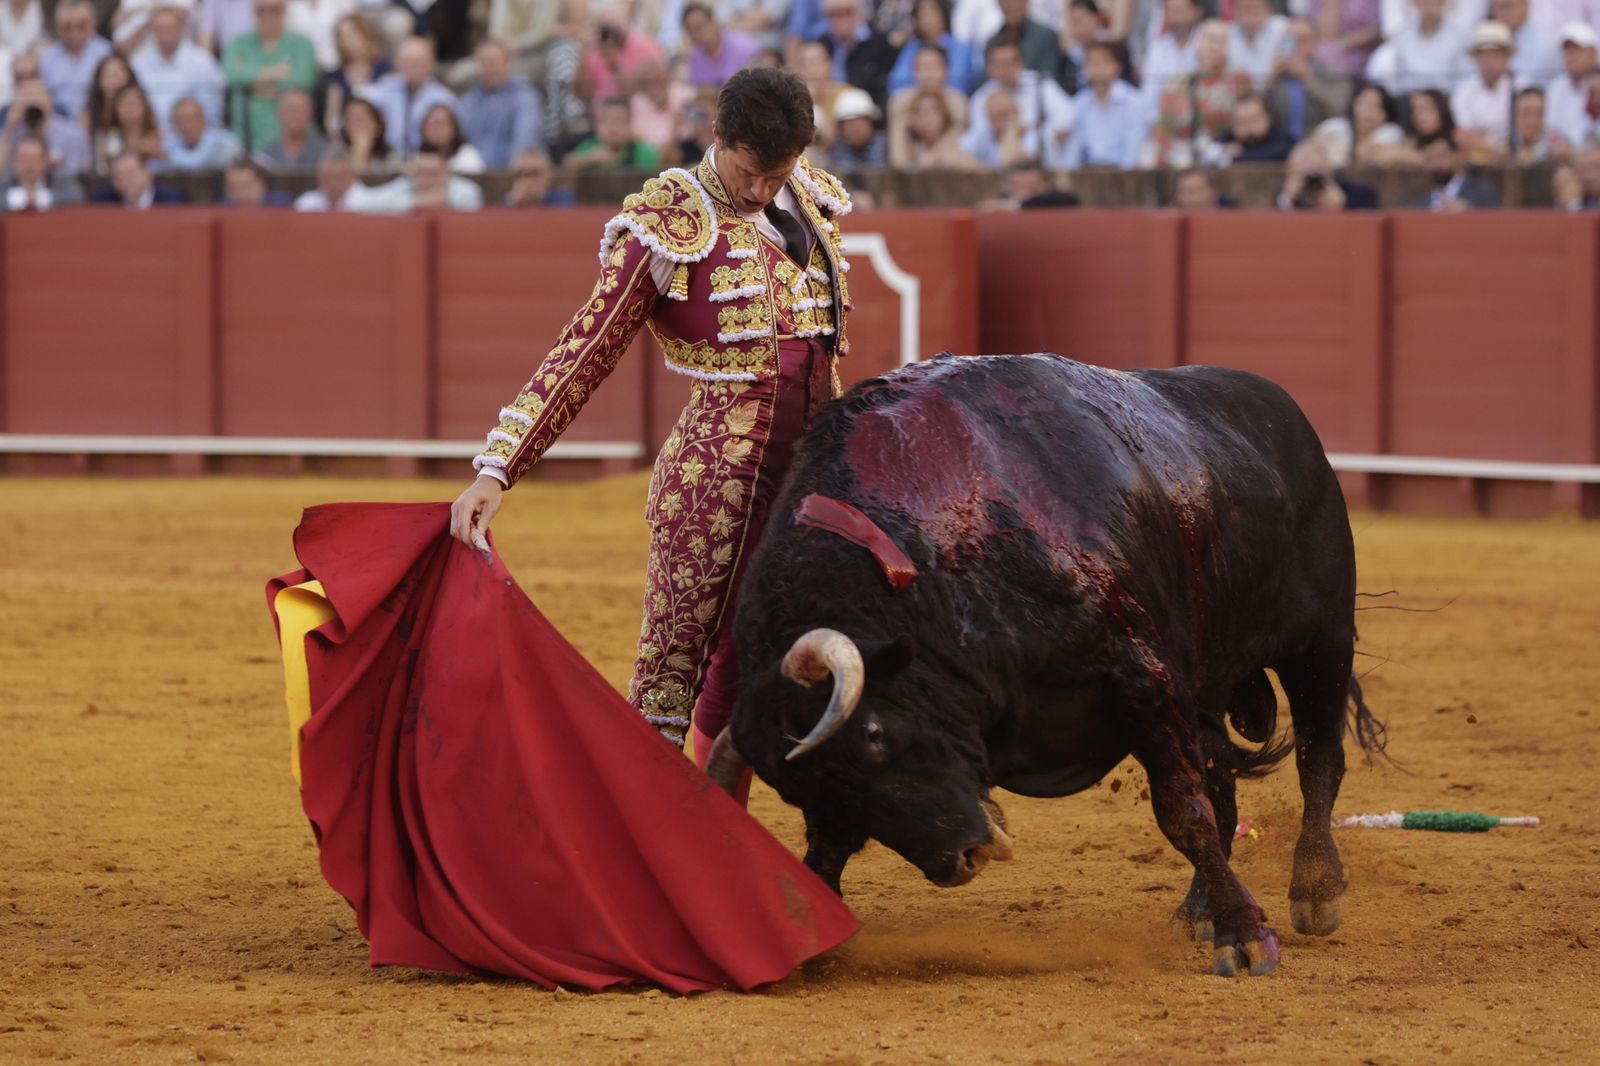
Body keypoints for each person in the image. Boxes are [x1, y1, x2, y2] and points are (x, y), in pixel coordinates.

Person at [450, 67, 858, 771]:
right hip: (714, 487)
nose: (761, 191)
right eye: (750, 172)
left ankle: (731, 819)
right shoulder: (669, 221)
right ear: (716, 136)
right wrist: (498, 468)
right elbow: (586, 349)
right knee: (673, 677)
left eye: (778, 173)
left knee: (777, 656)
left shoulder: (809, 197)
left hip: (813, 479)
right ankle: (659, 826)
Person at [1151, 20, 1252, 167]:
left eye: (1221, 41)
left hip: (1227, 161)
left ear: (1229, 48)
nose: (1214, 46)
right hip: (1181, 160)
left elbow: (1252, 123)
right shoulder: (1176, 83)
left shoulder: (1240, 81)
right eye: (1209, 39)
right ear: (1196, 43)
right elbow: (1164, 129)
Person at [222, 0, 318, 152]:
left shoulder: (302, 43)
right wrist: (278, 72)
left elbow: (301, 80)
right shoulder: (238, 42)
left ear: (284, 11)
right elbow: (231, 74)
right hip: (246, 134)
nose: (267, 16)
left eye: (274, 10)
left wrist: (251, 83)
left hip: (291, 139)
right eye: (261, 10)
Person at [963, 39, 1075, 167]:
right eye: (999, 65)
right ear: (989, 69)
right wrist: (1012, 130)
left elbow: (1066, 119)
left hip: (1043, 160)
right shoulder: (980, 98)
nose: (1005, 70)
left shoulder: (1041, 84)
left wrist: (1032, 131)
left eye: (1009, 63)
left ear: (1021, 63)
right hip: (995, 163)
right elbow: (981, 136)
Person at [131, 5, 225, 134]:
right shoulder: (139, 64)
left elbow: (212, 110)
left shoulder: (202, 63)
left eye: (170, 28)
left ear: (182, 28)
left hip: (193, 138)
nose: (165, 33)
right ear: (152, 31)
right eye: (160, 29)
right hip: (150, 136)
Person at [458, 38, 543, 170]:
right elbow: (460, 136)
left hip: (513, 173)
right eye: (484, 63)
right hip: (475, 172)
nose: (489, 68)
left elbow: (525, 138)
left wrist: (509, 172)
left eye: (493, 62)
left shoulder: (524, 95)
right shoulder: (470, 99)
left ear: (507, 63)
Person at [367, 36, 457, 160]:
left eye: (419, 62)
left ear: (432, 63)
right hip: (388, 159)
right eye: (407, 62)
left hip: (429, 159)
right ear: (397, 63)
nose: (413, 67)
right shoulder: (381, 91)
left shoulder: (444, 99)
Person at [1264, 17, 1352, 142]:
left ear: (1314, 43)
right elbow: (1258, 116)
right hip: (1279, 144)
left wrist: (1307, 78)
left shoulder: (1334, 74)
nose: (1294, 45)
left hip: (1320, 142)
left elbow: (1337, 110)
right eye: (1289, 40)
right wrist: (1271, 79)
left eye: (1300, 40)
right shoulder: (1277, 76)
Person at [2, 53, 90, 176]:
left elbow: (77, 174)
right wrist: (10, 127)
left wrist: (46, 116)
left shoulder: (70, 130)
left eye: (31, 75)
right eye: (19, 77)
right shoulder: (8, 121)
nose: (26, 82)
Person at [1061, 38, 1142, 167]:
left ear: (1117, 66)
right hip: (1087, 172)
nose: (1097, 68)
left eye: (1103, 62)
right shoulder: (1079, 103)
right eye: (1091, 63)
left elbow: (1133, 148)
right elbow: (1073, 149)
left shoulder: (1133, 101)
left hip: (1124, 172)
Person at [1364, 0, 1468, 95]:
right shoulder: (1402, 36)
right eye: (1425, 3)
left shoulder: (1459, 39)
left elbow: (1463, 79)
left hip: (1443, 100)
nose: (1430, 8)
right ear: (1415, 3)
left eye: (1436, 2)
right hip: (1408, 99)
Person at [1450, 21, 1521, 161]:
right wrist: (1498, 152)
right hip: (1475, 164)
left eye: (1495, 55)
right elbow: (1465, 138)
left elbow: (1526, 138)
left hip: (1515, 164)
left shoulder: (1522, 88)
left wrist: (1483, 145)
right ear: (1475, 58)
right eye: (1484, 56)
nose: (1489, 62)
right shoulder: (1463, 92)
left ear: (1507, 57)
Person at [818, 0, 900, 109]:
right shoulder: (823, 44)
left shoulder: (879, 42)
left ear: (859, 12)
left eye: (846, 12)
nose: (840, 19)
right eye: (833, 14)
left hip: (867, 107)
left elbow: (885, 84)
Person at [39, 0, 113, 120]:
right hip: (57, 121)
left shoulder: (107, 54)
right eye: (67, 27)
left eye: (81, 26)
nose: (74, 32)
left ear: (93, 24)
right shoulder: (48, 58)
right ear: (58, 27)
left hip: (98, 119)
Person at [319, 13, 389, 136]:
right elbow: (331, 124)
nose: (346, 42)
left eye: (351, 35)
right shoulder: (334, 78)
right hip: (347, 138)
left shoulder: (385, 70)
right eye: (341, 37)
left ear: (365, 35)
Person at [1309, 79, 1407, 166]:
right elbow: (1310, 149)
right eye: (1366, 104)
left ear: (1386, 114)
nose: (1369, 112)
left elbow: (1367, 154)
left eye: (1378, 106)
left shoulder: (1391, 132)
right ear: (1355, 104)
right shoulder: (1335, 127)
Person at [887, 0, 976, 96]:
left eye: (932, 11)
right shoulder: (911, 48)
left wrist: (927, 86)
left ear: (944, 14)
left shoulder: (961, 48)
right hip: (915, 101)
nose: (927, 18)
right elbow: (896, 83)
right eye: (922, 13)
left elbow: (959, 84)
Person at [360, 144, 484, 210]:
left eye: (433, 174)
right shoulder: (403, 186)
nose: (426, 180)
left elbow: (469, 200)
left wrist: (447, 200)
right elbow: (363, 203)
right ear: (411, 173)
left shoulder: (465, 190)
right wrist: (417, 202)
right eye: (420, 173)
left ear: (447, 174)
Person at [890, 84, 982, 165]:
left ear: (944, 116)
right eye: (919, 113)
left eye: (932, 113)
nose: (926, 120)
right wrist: (899, 126)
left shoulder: (962, 145)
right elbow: (899, 167)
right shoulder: (914, 147)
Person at [1275, 137, 1378, 209]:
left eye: (1316, 172)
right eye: (1302, 174)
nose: (1312, 182)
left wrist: (1343, 205)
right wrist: (1287, 201)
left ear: (1329, 168)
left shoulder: (1360, 193)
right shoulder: (1285, 197)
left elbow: (1370, 223)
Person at [567, 94, 661, 170]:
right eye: (605, 120)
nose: (612, 126)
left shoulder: (642, 152)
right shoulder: (590, 147)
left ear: (629, 124)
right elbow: (568, 165)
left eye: (619, 120)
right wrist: (588, 160)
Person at [683, 1, 762, 89]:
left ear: (713, 21)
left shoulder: (744, 46)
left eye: (699, 27)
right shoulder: (695, 56)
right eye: (691, 31)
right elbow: (698, 89)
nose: (697, 34)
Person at [1416, 130, 1500, 209]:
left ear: (1458, 156)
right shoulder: (1422, 201)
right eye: (1429, 160)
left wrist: (1469, 209)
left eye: (1441, 157)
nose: (1436, 165)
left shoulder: (1483, 192)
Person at [629, 57, 696, 156]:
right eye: (646, 82)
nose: (653, 85)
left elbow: (696, 130)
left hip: (689, 150)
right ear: (640, 85)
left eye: (657, 78)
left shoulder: (686, 95)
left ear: (667, 77)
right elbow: (639, 141)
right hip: (654, 157)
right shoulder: (637, 103)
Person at [1545, 22, 1597, 147]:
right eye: (1567, 51)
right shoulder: (1557, 87)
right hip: (1564, 154)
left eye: (1577, 51)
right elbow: (1551, 129)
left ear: (1593, 53)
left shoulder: (1596, 86)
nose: (1572, 57)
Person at [1, 132, 84, 210]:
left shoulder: (62, 179)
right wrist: (18, 200)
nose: (29, 165)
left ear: (46, 160)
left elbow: (76, 197)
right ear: (13, 160)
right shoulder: (3, 182)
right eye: (23, 159)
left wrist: (43, 199)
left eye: (34, 159)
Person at [160, 94, 241, 168]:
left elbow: (200, 164)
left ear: (204, 119)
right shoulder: (169, 144)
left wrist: (167, 158)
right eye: (180, 121)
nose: (186, 126)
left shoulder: (225, 142)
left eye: (190, 119)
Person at [252, 87, 325, 169]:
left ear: (311, 115)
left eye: (300, 110)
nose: (295, 116)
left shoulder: (325, 153)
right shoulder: (265, 156)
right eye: (290, 110)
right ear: (278, 114)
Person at [97, 83, 165, 170]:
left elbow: (172, 166)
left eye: (133, 103)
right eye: (124, 104)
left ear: (145, 107)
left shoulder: (159, 137)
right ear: (115, 109)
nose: (129, 109)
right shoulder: (105, 138)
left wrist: (159, 154)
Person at [986, 0, 1061, 78]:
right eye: (1006, 1)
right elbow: (986, 78)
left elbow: (1050, 74)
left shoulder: (1046, 37)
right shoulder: (992, 42)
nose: (1011, 5)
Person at [1491, 0, 1558, 83]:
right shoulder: (1490, 40)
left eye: (1507, 6)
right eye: (1496, 8)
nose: (1502, 13)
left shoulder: (1546, 46)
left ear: (1525, 5)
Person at [1227, 0, 1290, 89]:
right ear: (1235, 11)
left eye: (1256, 7)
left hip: (1274, 89)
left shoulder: (1281, 28)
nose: (1251, 13)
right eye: (1246, 8)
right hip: (1236, 92)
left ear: (1268, 10)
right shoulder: (1226, 32)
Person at [1217, 92, 1295, 162]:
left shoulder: (1282, 139)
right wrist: (1221, 151)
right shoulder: (1229, 139)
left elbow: (1278, 153)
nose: (1249, 126)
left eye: (1255, 119)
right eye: (1241, 122)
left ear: (1269, 118)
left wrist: (1238, 155)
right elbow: (1213, 150)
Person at [92, 149, 188, 206]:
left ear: (147, 173)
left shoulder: (173, 200)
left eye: (130, 176)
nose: (125, 182)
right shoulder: (102, 201)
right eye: (118, 178)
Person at [293, 145, 376, 209]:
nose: (333, 183)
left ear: (353, 176)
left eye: (340, 177)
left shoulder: (370, 203)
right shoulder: (306, 204)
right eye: (327, 177)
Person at [826, 83, 886, 164]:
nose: (854, 129)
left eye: (858, 123)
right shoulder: (837, 148)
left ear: (871, 123)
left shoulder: (885, 145)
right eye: (849, 124)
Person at [1510, 85, 1571, 163]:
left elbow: (1567, 151)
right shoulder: (1503, 140)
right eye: (1526, 113)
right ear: (1514, 116)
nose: (1532, 121)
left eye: (1539, 114)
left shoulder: (1552, 139)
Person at [418, 102, 483, 173]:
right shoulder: (417, 157)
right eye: (430, 124)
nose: (436, 129)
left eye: (439, 124)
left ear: (453, 127)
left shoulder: (467, 157)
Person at [1056, 0, 1105, 93]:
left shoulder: (1112, 47)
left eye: (1081, 20)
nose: (1077, 26)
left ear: (1096, 18)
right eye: (1074, 21)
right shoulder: (1070, 55)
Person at [337, 95, 393, 172]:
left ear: (378, 126)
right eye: (351, 118)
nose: (358, 124)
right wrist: (360, 153)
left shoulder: (391, 157)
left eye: (362, 118)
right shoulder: (335, 156)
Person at [504, 145, 576, 205]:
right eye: (519, 174)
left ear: (550, 175)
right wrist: (512, 204)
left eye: (534, 173)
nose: (527, 180)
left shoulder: (562, 199)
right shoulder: (508, 202)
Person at [222, 155, 294, 204]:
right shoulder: (223, 205)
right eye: (233, 187)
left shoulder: (280, 204)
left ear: (263, 184)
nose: (240, 193)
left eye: (245, 186)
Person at [1553, 143, 1600, 209]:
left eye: (1597, 167)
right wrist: (1572, 203)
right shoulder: (1576, 198)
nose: (1591, 176)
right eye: (1584, 169)